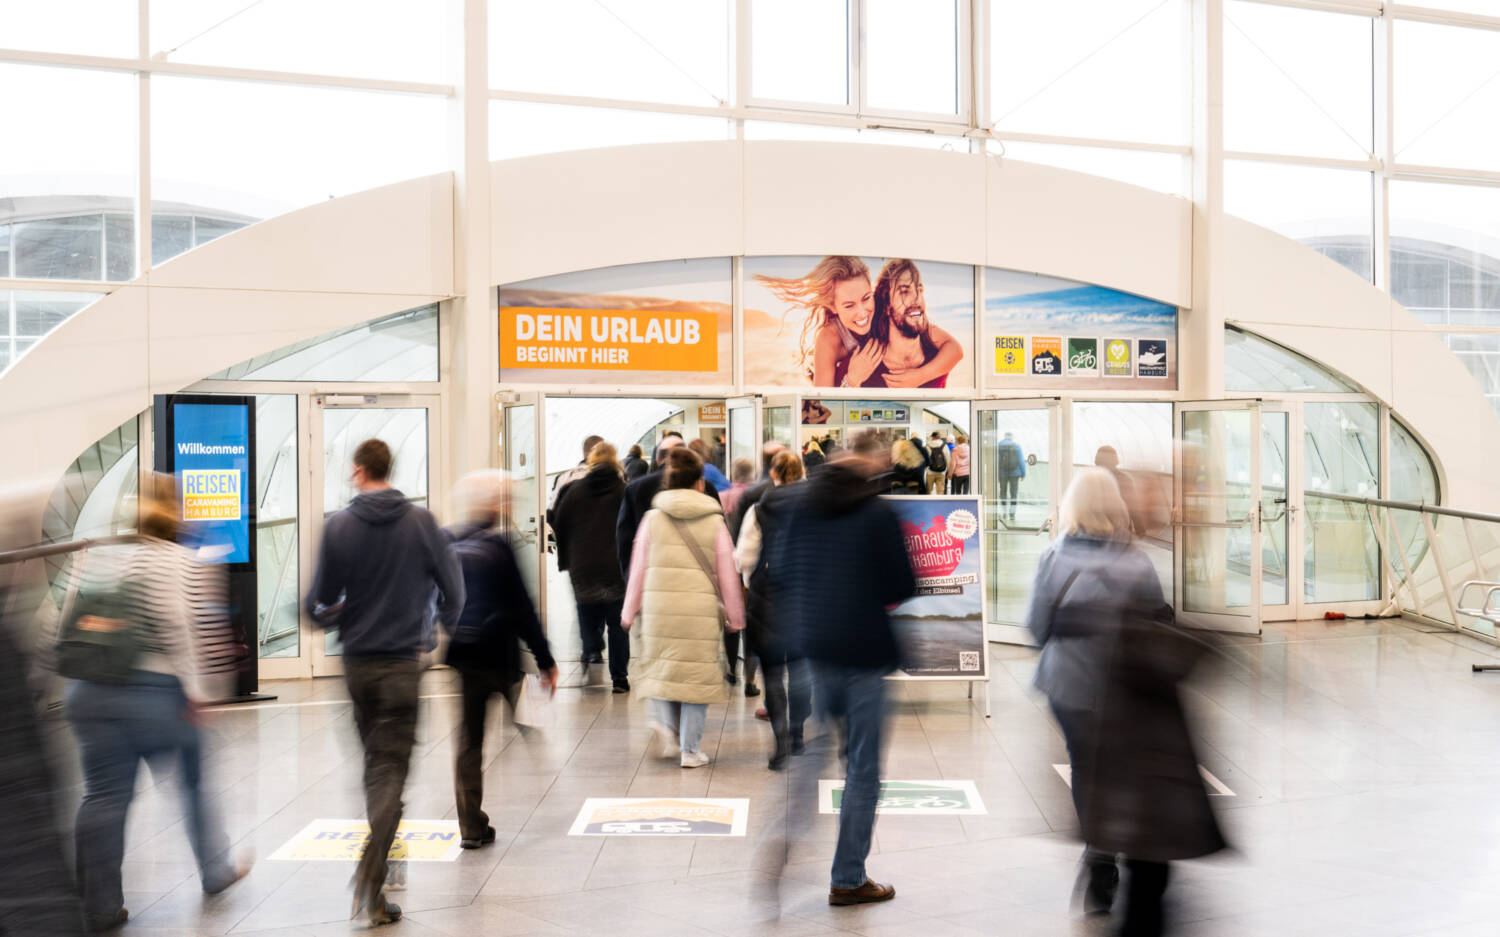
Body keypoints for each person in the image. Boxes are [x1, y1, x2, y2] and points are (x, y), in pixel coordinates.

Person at [1024, 469, 1223, 936]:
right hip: (1122, 695)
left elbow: (1036, 626)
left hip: (1067, 685)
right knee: (1123, 772)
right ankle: (1126, 846)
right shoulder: (1136, 563)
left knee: (1084, 767)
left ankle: (1098, 852)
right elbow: (1157, 632)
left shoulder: (1051, 557)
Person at [46, 479, 248, 932]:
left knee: (103, 796)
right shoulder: (180, 561)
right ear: (175, 513)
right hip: (154, 694)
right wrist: (200, 693)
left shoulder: (98, 554)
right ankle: (215, 871)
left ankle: (98, 907)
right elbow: (185, 627)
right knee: (193, 778)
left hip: (89, 692)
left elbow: (63, 622)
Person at [305, 438, 464, 927]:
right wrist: (436, 635)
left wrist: (345, 617)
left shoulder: (339, 525)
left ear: (359, 471)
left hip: (357, 667)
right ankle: (373, 877)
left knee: (376, 766)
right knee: (390, 771)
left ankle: (376, 879)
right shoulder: (421, 523)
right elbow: (455, 590)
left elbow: (316, 604)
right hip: (401, 665)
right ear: (388, 469)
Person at [766, 430, 917, 906]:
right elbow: (902, 582)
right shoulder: (879, 512)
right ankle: (848, 877)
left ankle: (782, 833)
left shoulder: (799, 505)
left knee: (814, 753)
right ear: (872, 460)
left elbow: (784, 570)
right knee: (862, 767)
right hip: (865, 652)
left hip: (815, 646)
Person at [443, 471, 558, 849]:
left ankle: (471, 827)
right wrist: (545, 660)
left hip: (465, 656)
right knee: (526, 716)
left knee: (469, 742)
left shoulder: (449, 542)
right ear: (495, 506)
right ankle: (546, 775)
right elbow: (523, 608)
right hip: (501, 655)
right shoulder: (499, 547)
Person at [621, 448, 745, 768]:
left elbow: (639, 567)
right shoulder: (714, 521)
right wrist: (735, 615)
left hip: (659, 607)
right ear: (700, 484)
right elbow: (728, 572)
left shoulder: (652, 518)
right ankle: (690, 751)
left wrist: (628, 610)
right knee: (696, 680)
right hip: (700, 611)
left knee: (662, 667)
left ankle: (663, 722)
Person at [734, 450, 810, 768]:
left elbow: (744, 558)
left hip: (766, 599)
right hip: (804, 598)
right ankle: (797, 734)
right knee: (802, 670)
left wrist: (752, 583)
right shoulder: (816, 506)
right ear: (802, 473)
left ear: (775, 474)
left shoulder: (759, 508)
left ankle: (780, 743)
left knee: (773, 674)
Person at [554, 443, 631, 692]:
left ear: (591, 460)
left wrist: (567, 559)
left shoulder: (574, 490)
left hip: (583, 567)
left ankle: (591, 650)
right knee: (618, 624)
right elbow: (633, 528)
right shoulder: (623, 491)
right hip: (615, 568)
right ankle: (619, 678)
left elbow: (559, 523)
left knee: (587, 615)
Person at [755, 255, 884, 387]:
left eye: (867, 298)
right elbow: (821, 403)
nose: (862, 313)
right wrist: (852, 379)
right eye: (849, 306)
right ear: (833, 307)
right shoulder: (829, 338)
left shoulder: (885, 311)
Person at [617, 435, 722, 578]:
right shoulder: (705, 486)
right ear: (687, 455)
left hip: (651, 580)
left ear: (658, 459)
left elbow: (625, 539)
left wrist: (630, 577)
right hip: (700, 579)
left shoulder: (635, 489)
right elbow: (721, 539)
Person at [867, 259, 964, 388]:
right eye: (904, 291)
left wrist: (921, 376)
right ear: (886, 306)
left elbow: (956, 350)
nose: (917, 299)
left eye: (920, 290)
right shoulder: (867, 364)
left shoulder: (937, 358)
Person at [997, 431, 1026, 523]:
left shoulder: (999, 445)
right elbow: (1021, 460)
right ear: (1011, 437)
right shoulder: (1016, 446)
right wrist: (1023, 473)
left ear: (1004, 437)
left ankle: (1004, 512)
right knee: (1013, 494)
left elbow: (996, 460)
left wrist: (997, 474)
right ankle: (1012, 514)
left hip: (1002, 473)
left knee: (1003, 493)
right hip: (1015, 473)